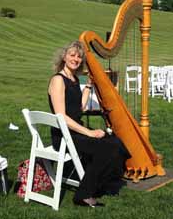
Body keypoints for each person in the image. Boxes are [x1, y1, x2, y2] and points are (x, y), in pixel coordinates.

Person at [48, 41, 129, 208]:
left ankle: (103, 181)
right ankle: (83, 194)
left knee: (115, 141)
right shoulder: (58, 80)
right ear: (64, 57)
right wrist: (89, 132)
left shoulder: (74, 79)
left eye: (79, 56)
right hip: (64, 135)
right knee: (106, 147)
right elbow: (61, 116)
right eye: (72, 55)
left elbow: (79, 108)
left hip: (75, 130)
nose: (76, 59)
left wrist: (88, 87)